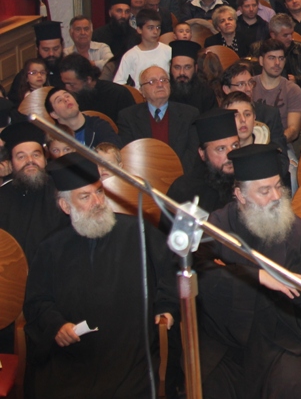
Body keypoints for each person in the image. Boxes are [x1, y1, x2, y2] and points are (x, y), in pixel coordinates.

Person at [23, 154, 177, 399]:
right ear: (65, 206)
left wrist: (166, 307)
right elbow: (37, 301)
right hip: (72, 360)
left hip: (129, 356)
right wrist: (57, 326)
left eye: (99, 192)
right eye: (85, 197)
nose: (97, 202)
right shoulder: (51, 247)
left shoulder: (138, 231)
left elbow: (170, 272)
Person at [195, 144, 301, 399]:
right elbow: (201, 276)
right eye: (264, 191)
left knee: (295, 388)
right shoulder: (217, 226)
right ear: (240, 195)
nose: (276, 196)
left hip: (277, 339)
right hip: (225, 343)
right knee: (209, 388)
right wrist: (256, 276)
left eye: (278, 186)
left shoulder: (294, 229)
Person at [0, 122, 70, 263]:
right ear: (11, 163)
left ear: (45, 159)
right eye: (21, 157)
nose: (30, 161)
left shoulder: (62, 191)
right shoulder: (3, 196)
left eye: (36, 155)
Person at [118, 65, 200, 175]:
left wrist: (176, 176)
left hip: (181, 177)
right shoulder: (128, 117)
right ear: (141, 91)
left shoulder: (189, 114)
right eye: (152, 81)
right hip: (144, 177)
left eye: (164, 80)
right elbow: (129, 155)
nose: (160, 85)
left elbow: (192, 154)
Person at [167, 108, 241, 213]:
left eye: (235, 146)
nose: (231, 155)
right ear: (202, 154)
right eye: (221, 149)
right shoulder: (184, 190)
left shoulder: (249, 183)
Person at [253, 39, 301, 147]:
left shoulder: (293, 90)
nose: (277, 63)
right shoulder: (249, 86)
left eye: (281, 58)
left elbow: (293, 130)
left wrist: (272, 144)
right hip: (250, 144)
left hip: (281, 145)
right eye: (272, 58)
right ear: (261, 61)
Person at [57, 53, 135, 124]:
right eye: (65, 83)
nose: (67, 88)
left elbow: (130, 126)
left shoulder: (118, 94)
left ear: (88, 80)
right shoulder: (69, 99)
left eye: (71, 84)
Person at [113, 9, 173, 87]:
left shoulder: (168, 51)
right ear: (139, 29)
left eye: (158, 27)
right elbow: (118, 83)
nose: (155, 32)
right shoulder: (131, 55)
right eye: (150, 28)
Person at [43, 88, 119, 148]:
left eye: (67, 96)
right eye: (59, 100)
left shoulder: (99, 126)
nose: (66, 99)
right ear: (54, 114)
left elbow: (113, 152)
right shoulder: (54, 138)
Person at [167, 39, 219, 114]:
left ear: (196, 68)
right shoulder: (164, 92)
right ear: (170, 67)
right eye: (177, 67)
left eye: (187, 67)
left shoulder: (206, 93)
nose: (182, 73)